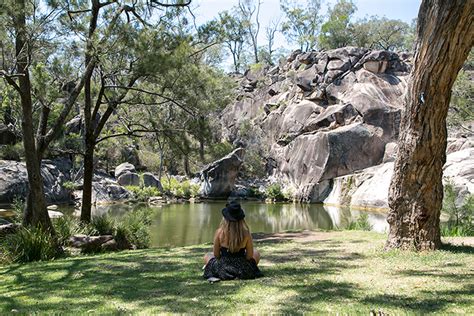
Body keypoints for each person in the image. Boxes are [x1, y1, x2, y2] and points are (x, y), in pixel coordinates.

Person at [203, 201, 262, 280]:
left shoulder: (219, 232)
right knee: (256, 253)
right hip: (242, 269)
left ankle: (217, 270)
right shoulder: (246, 233)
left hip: (223, 268)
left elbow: (216, 255)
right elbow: (249, 256)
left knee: (207, 256)